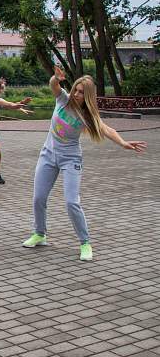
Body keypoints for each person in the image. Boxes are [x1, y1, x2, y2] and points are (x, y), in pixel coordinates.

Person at [21, 67, 146, 261]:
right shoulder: (63, 100)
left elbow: (107, 129)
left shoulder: (87, 116)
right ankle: (40, 234)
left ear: (87, 96)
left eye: (81, 92)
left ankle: (85, 243)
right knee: (38, 198)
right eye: (76, 90)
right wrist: (56, 78)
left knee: (71, 202)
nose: (77, 94)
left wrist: (123, 143)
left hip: (70, 159)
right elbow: (53, 85)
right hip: (48, 155)